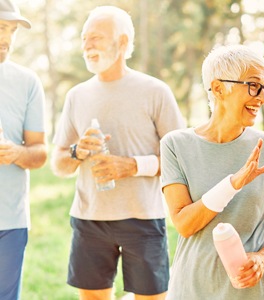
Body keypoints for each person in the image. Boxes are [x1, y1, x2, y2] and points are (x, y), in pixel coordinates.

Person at [51, 6, 185, 300]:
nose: (87, 45)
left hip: (143, 217)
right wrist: (76, 152)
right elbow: (58, 163)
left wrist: (132, 166)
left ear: (122, 43)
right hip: (89, 220)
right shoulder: (77, 96)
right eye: (84, 38)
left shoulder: (155, 91)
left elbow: (183, 160)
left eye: (96, 38)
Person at [160, 44, 264, 299]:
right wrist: (232, 184)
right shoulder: (175, 145)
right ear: (219, 88)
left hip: (256, 293)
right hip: (192, 290)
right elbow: (184, 224)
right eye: (254, 85)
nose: (262, 97)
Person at [0, 0, 47, 299]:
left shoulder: (27, 82)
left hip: (10, 222)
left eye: (12, 30)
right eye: (1, 27)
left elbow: (40, 151)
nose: (7, 38)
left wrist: (15, 153)